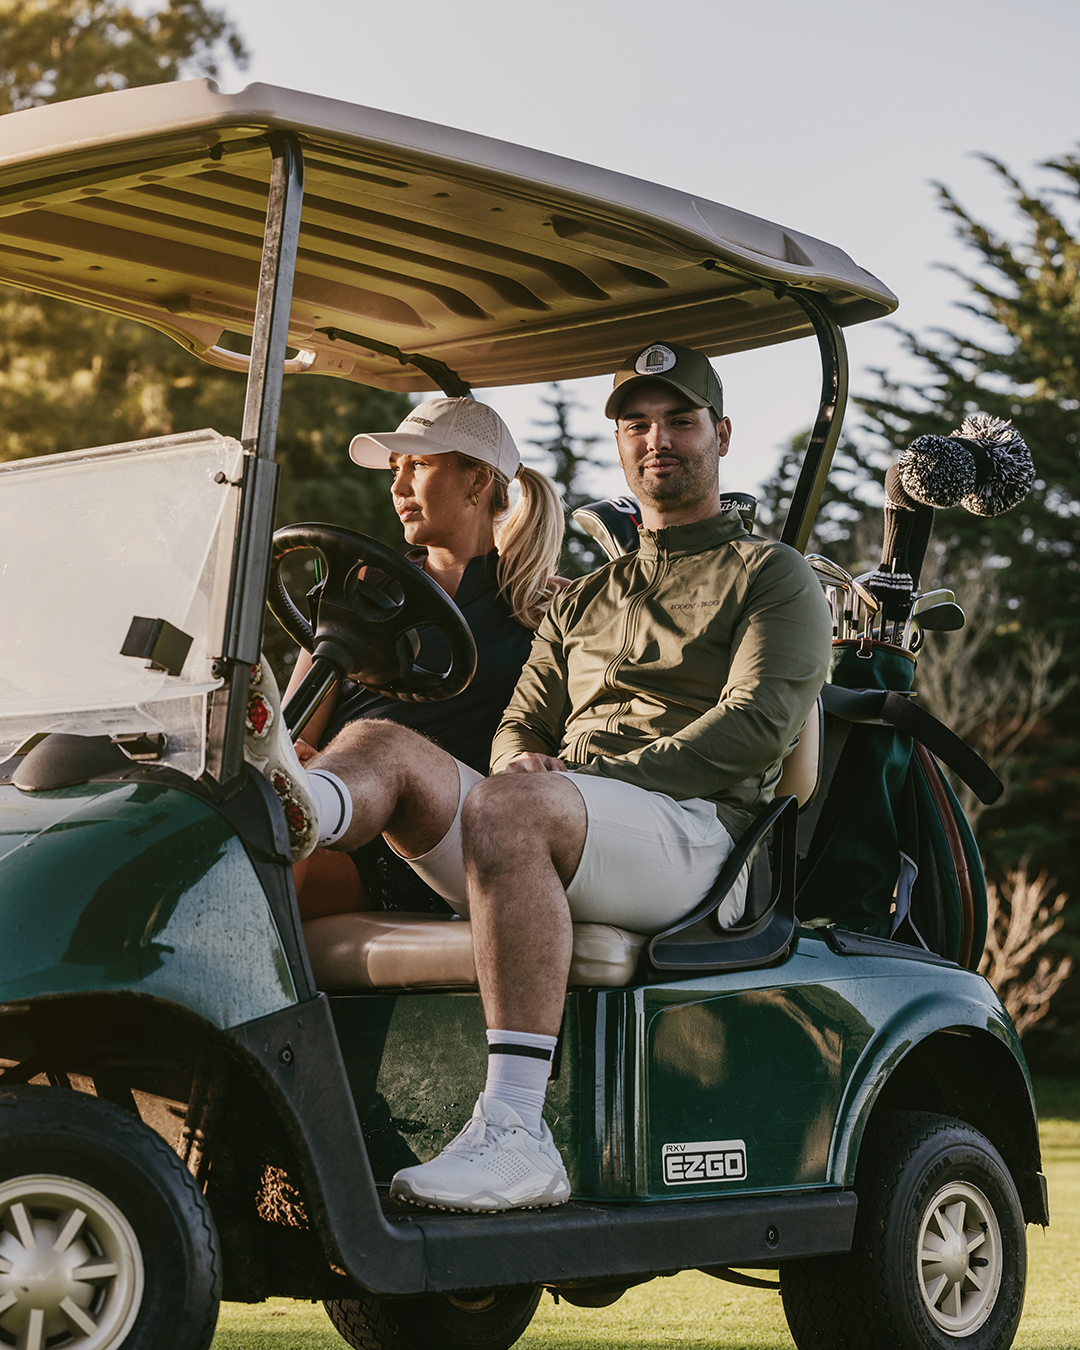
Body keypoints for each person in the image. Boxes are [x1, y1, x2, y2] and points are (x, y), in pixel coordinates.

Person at [282, 340, 833, 1214]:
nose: (658, 440)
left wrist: (575, 776)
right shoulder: (583, 599)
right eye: (637, 425)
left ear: (721, 435)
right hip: (572, 821)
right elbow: (519, 726)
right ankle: (285, 811)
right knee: (382, 743)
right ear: (619, 443)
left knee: (516, 806)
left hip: (700, 838)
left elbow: (756, 726)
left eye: (680, 422)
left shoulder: (771, 574)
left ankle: (515, 1135)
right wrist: (521, 767)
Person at [285, 396, 564, 919]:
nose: (397, 487)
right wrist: (293, 755)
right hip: (334, 811)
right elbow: (294, 725)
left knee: (272, 837)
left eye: (418, 465)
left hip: (429, 844)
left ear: (478, 480)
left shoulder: (546, 606)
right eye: (395, 468)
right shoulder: (361, 585)